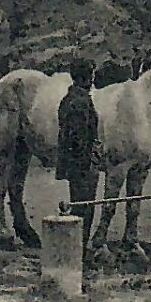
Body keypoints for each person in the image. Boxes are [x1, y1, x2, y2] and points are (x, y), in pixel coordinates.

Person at [56, 57, 100, 248]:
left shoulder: (70, 98)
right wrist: (88, 160)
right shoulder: (79, 102)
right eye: (91, 76)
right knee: (83, 207)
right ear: (86, 78)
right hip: (81, 164)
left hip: (77, 162)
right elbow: (77, 138)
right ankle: (79, 249)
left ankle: (78, 246)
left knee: (80, 205)